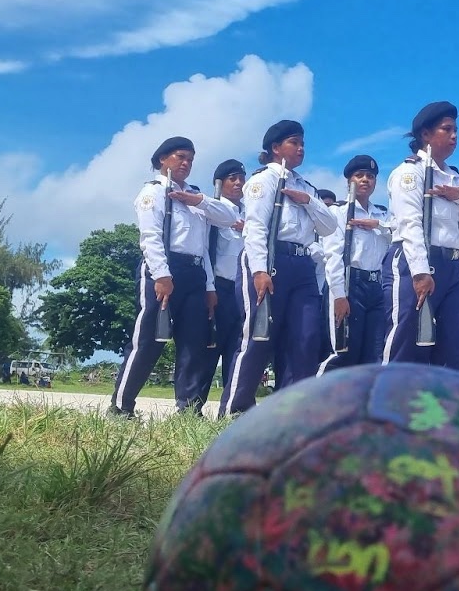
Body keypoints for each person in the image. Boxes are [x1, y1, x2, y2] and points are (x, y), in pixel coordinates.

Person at [112, 136, 241, 419]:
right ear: (163, 159)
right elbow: (150, 238)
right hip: (165, 269)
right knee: (147, 340)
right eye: (181, 157)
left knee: (194, 345)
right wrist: (161, 275)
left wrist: (209, 286)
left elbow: (223, 222)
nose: (186, 163)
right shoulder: (153, 192)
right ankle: (121, 406)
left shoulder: (196, 197)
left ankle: (189, 410)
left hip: (195, 273)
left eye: (191, 159)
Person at [225, 120, 338, 415]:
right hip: (270, 259)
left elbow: (328, 226)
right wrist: (259, 271)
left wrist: (309, 202)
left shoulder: (305, 186)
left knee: (305, 336)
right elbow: (256, 229)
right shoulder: (264, 180)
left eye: (302, 143)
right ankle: (236, 408)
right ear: (276, 148)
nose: (300, 148)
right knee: (258, 336)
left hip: (301, 265)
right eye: (293, 142)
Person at [382, 101, 459, 372]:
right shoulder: (410, 172)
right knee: (406, 343)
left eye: (456, 129)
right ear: (425, 134)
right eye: (447, 129)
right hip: (415, 263)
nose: (454, 135)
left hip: (453, 267)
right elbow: (409, 224)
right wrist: (420, 273)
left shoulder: (458, 180)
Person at [320, 155, 394, 373]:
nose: (365, 180)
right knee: (344, 352)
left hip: (376, 286)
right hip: (350, 283)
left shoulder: (383, 214)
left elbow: (400, 234)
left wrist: (379, 225)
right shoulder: (338, 212)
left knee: (374, 353)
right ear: (348, 180)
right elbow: (332, 255)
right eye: (359, 175)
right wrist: (339, 294)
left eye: (370, 176)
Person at [207, 159, 248, 416]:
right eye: (232, 178)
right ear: (220, 183)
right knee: (210, 349)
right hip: (218, 287)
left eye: (241, 178)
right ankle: (192, 407)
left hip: (243, 290)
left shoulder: (251, 212)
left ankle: (230, 409)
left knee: (237, 350)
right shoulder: (214, 210)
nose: (238, 183)